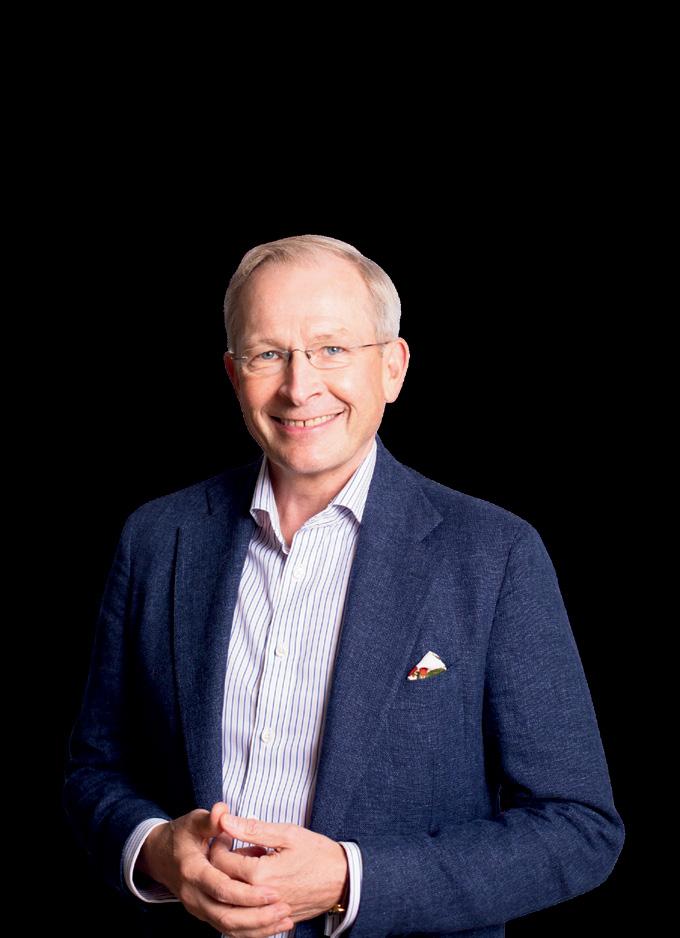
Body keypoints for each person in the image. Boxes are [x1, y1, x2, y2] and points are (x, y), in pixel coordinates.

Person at [62, 234, 625, 938]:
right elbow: (96, 770)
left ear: (393, 367)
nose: (300, 387)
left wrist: (350, 881)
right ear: (234, 374)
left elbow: (578, 827)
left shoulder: (494, 554)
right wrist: (154, 850)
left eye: (332, 349)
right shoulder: (158, 538)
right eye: (268, 354)